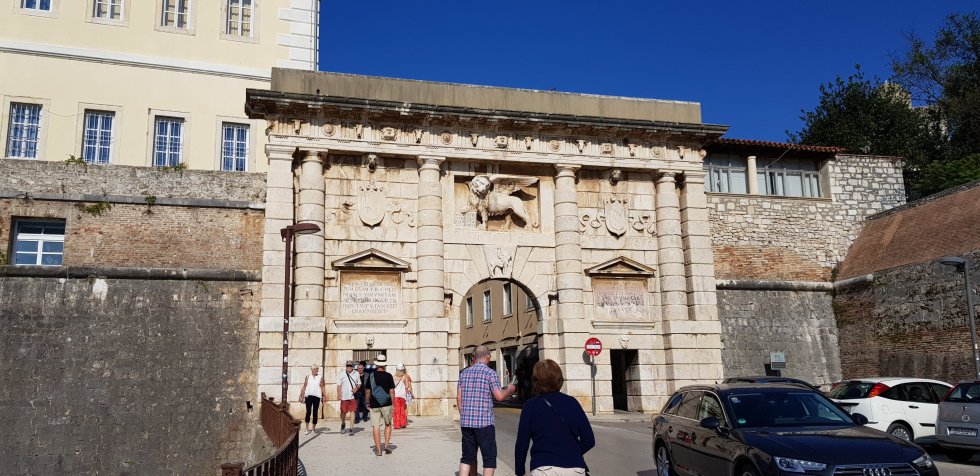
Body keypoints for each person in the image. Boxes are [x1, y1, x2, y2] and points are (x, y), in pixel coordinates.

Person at [514, 359, 595, 476]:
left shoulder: (530, 406)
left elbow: (522, 444)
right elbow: (589, 440)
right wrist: (572, 453)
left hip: (544, 467)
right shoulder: (572, 402)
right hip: (574, 468)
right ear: (559, 379)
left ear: (536, 381)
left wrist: (520, 472)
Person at [457, 345, 517, 476]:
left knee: (467, 457)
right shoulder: (490, 373)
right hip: (484, 423)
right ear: (488, 357)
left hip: (466, 422)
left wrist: (464, 416)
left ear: (474, 357)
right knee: (489, 458)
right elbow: (499, 396)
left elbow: (459, 398)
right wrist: (510, 389)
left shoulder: (464, 373)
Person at [365, 354, 396, 456]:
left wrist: (367, 402)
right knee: (388, 424)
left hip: (374, 404)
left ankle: (378, 450)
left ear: (377, 364)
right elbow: (392, 391)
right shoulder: (389, 376)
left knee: (376, 426)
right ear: (384, 365)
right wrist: (393, 404)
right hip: (387, 404)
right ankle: (386, 446)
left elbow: (368, 392)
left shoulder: (371, 376)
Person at [298, 365, 326, 435]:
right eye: (315, 369)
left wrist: (324, 396)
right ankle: (307, 429)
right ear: (312, 370)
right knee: (308, 412)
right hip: (308, 396)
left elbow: (322, 387)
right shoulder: (308, 377)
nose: (317, 370)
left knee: (315, 412)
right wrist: (301, 394)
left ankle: (313, 429)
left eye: (317, 369)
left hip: (317, 396)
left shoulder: (320, 377)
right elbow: (305, 385)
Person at [336, 360, 361, 435]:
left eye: (350, 366)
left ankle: (351, 428)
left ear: (353, 366)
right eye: (348, 366)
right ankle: (343, 423)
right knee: (343, 412)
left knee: (353, 411)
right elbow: (339, 385)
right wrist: (339, 394)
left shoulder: (356, 373)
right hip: (344, 396)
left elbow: (359, 383)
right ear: (346, 366)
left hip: (352, 396)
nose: (349, 367)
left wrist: (356, 388)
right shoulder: (341, 374)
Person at [393, 364, 414, 429]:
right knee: (402, 409)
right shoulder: (404, 377)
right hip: (402, 395)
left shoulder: (393, 377)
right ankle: (403, 424)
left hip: (395, 395)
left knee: (396, 410)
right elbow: (407, 386)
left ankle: (397, 425)